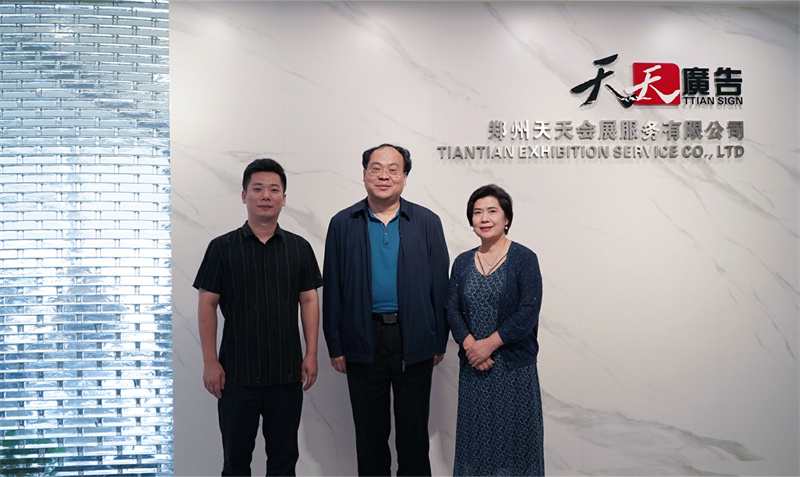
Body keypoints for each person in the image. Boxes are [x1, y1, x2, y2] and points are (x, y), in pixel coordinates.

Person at [322, 143, 450, 476]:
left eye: (393, 169)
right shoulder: (342, 223)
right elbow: (333, 287)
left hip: (414, 337)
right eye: (376, 168)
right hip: (362, 338)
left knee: (413, 436)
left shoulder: (427, 222)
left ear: (405, 177)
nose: (384, 175)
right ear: (364, 174)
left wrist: (438, 341)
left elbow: (440, 285)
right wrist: (335, 344)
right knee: (369, 436)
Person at [193, 158, 323, 476]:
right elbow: (207, 304)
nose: (266, 195)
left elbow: (309, 299)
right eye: (258, 189)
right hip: (237, 375)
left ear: (284, 198)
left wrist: (311, 353)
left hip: (286, 374)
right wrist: (210, 362)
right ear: (244, 195)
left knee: (283, 462)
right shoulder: (221, 248)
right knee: (235, 463)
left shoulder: (299, 248)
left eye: (274, 189)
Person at [446, 184, 544, 476]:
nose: (484, 218)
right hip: (474, 368)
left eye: (492, 211)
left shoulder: (524, 258)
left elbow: (528, 311)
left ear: (507, 218)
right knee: (475, 444)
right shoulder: (462, 262)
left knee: (516, 447)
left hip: (514, 371)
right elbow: (451, 308)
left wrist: (488, 344)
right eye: (477, 212)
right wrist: (470, 346)